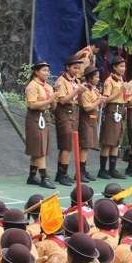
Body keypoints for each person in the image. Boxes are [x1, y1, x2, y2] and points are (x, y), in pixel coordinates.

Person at [53, 52, 86, 185]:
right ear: (68, 67)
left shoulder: (76, 81)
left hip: (74, 112)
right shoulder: (61, 81)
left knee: (70, 144)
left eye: (78, 68)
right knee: (65, 144)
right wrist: (77, 91)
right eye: (75, 68)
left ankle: (61, 173)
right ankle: (62, 174)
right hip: (64, 112)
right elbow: (63, 100)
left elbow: (76, 99)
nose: (77, 70)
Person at [24, 61, 56, 189]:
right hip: (35, 117)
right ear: (36, 72)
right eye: (44, 70)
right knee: (39, 149)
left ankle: (32, 176)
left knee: (40, 147)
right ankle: (44, 177)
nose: (47, 73)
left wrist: (54, 101)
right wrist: (49, 100)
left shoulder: (48, 86)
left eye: (48, 71)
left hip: (45, 116)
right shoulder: (32, 86)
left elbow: (52, 105)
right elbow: (32, 104)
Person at [99, 55, 129, 180]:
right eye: (121, 66)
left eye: (124, 66)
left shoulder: (121, 80)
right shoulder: (109, 81)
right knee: (108, 141)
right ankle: (102, 169)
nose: (123, 68)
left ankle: (112, 168)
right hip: (112, 110)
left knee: (116, 141)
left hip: (121, 109)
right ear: (115, 67)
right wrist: (119, 92)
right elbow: (105, 99)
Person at [77, 66, 103, 183]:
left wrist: (101, 99)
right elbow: (87, 107)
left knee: (88, 146)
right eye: (96, 77)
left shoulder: (94, 89)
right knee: (84, 146)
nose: (98, 79)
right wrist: (99, 100)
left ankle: (84, 169)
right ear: (90, 78)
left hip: (93, 119)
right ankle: (80, 171)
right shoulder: (85, 90)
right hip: (85, 119)